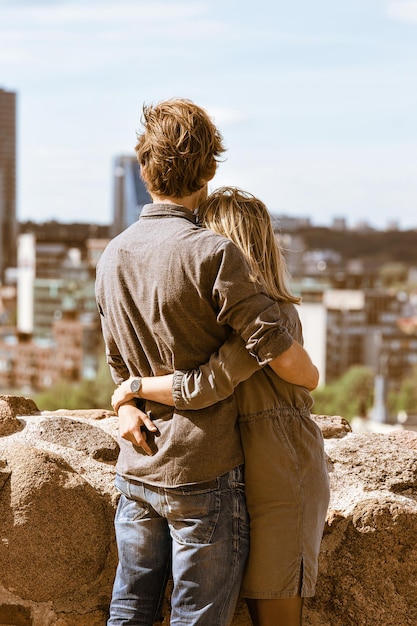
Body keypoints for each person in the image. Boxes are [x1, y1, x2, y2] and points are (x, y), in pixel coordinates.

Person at [96, 99, 319, 626]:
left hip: (137, 467)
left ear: (143, 168)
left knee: (128, 610)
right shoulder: (213, 253)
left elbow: (114, 356)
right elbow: (277, 353)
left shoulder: (113, 254)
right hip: (202, 467)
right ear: (211, 168)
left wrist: (128, 401)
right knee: (197, 617)